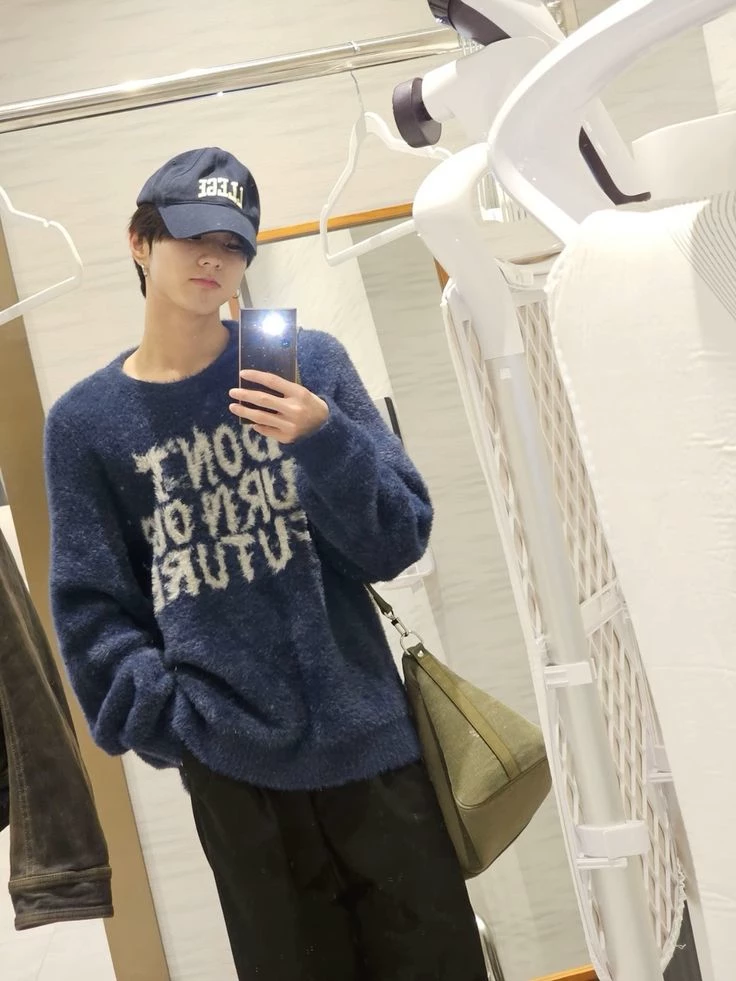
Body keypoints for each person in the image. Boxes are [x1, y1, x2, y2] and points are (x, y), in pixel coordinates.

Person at [44, 147, 488, 981]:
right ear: (140, 242)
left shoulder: (310, 364)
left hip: (375, 748)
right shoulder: (85, 424)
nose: (213, 258)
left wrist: (323, 439)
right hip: (235, 772)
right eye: (191, 236)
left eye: (233, 242)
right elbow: (91, 608)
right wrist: (182, 727)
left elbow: (397, 540)